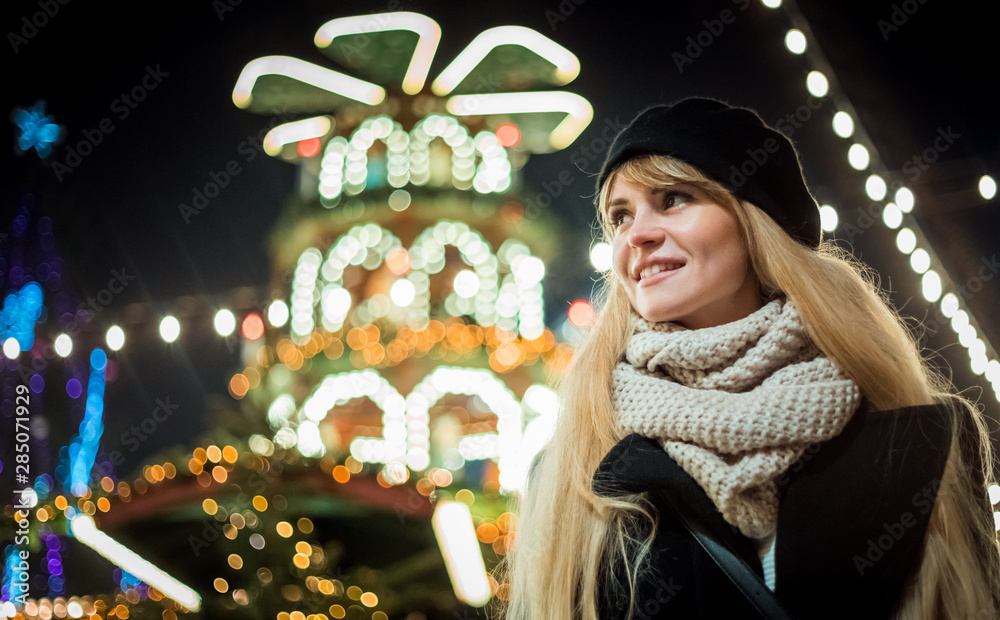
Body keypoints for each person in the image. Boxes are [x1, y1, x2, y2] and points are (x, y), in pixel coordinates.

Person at [494, 98, 1000, 619]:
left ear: (755, 223)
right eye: (619, 216)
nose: (635, 235)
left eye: (673, 199)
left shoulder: (923, 441)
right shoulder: (573, 467)